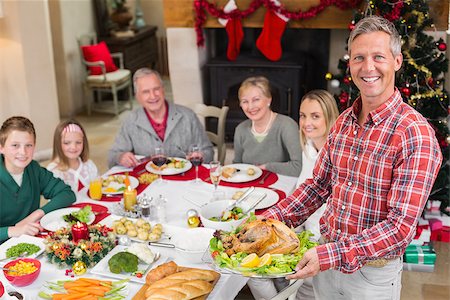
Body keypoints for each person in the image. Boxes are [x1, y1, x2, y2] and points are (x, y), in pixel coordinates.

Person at [261, 16, 442, 300]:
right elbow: (318, 185)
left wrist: (330, 254)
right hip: (325, 261)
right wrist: (270, 218)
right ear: (350, 64)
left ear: (397, 61)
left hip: (370, 276)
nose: (368, 67)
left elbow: (400, 228)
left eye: (378, 57)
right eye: (359, 57)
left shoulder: (414, 134)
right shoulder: (345, 121)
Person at [248, 90, 339, 300]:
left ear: (330, 117)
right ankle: (285, 288)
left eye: (315, 116)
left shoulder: (335, 156)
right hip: (302, 232)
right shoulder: (309, 148)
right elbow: (303, 193)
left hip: (321, 242)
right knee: (252, 259)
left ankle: (287, 291)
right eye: (303, 115)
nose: (307, 122)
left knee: (255, 270)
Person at [108, 68, 214, 168]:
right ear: (137, 97)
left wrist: (202, 155)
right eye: (146, 92)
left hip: (184, 181)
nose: (153, 96)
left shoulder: (188, 116)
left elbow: (208, 151)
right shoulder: (131, 121)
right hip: (150, 183)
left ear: (163, 90)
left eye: (156, 89)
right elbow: (112, 156)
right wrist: (121, 157)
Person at [0, 116, 76, 242]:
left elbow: (67, 194)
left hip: (31, 241)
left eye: (28, 145)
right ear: (1, 147)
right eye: (15, 145)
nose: (23, 152)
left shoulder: (34, 169)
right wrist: (13, 230)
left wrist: (36, 214)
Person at [233, 76, 302, 177]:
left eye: (256, 99)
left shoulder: (287, 126)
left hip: (282, 187)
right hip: (250, 188)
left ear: (269, 100)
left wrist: (266, 167)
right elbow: (237, 166)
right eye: (245, 101)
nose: (251, 107)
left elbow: (299, 167)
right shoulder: (240, 129)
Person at [47, 119, 98, 194]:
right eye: (67, 143)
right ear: (58, 144)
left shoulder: (89, 165)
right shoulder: (53, 172)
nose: (73, 147)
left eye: (78, 142)